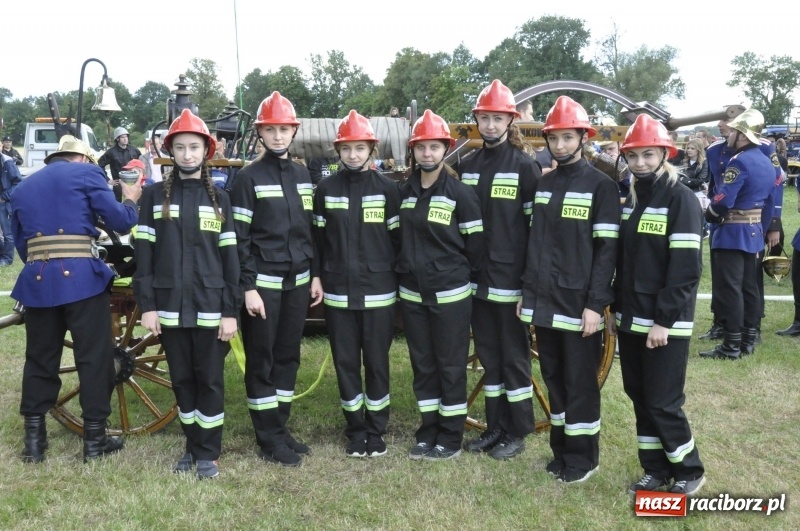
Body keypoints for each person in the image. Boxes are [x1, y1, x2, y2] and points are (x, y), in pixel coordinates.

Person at [11, 136, 141, 463]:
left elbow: (23, 246)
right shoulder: (87, 174)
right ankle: (94, 442)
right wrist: (130, 198)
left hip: (38, 280)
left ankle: (35, 445)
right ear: (83, 159)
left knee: (40, 358)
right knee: (94, 359)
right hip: (83, 280)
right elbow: (121, 221)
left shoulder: (23, 187)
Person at [134, 110, 240, 479]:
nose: (187, 154)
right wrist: (147, 306)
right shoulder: (151, 198)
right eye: (180, 147)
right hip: (170, 308)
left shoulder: (221, 200)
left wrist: (231, 312)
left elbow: (230, 261)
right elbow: (143, 257)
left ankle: (208, 452)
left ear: (207, 151)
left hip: (212, 309)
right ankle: (190, 446)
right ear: (170, 152)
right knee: (181, 380)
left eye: (194, 147)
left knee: (209, 379)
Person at [518, 95, 619, 483]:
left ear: (582, 137)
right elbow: (535, 245)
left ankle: (584, 459)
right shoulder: (545, 185)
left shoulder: (601, 187)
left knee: (580, 385)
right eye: (554, 138)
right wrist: (528, 294)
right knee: (555, 381)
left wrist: (596, 305)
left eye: (567, 138)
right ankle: (561, 453)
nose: (559, 145)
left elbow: (606, 251)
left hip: (579, 306)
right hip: (544, 303)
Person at [611, 113, 706, 497]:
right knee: (640, 395)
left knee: (664, 401)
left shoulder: (679, 199)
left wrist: (663, 322)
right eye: (633, 157)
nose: (640, 164)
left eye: (648, 155)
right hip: (631, 318)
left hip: (664, 323)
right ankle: (655, 469)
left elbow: (685, 269)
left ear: (664, 154)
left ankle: (689, 469)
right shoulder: (633, 200)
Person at [230, 91, 323, 467]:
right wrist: (248, 287)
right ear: (261, 133)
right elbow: (239, 237)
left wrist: (315, 274)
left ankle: (281, 428)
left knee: (288, 356)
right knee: (262, 359)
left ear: (293, 131)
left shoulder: (303, 175)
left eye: (284, 129)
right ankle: (267, 438)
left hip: (299, 279)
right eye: (271, 129)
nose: (279, 136)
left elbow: (309, 230)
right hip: (264, 282)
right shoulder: (247, 178)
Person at [455, 79, 541, 460]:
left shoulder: (526, 167)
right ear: (477, 120)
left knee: (514, 358)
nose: (490, 125)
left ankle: (518, 429)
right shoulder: (467, 166)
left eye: (497, 119)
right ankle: (494, 427)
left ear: (511, 121)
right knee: (489, 357)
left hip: (510, 280)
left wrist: (529, 285)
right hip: (476, 279)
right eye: (484, 118)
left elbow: (536, 233)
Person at [311, 110, 400, 458]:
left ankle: (377, 429)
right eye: (347, 149)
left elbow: (397, 240)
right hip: (337, 292)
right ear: (338, 151)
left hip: (379, 293)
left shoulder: (388, 190)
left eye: (360, 148)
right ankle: (355, 428)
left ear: (371, 150)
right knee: (345, 362)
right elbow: (317, 240)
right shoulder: (325, 189)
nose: (353, 155)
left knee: (377, 362)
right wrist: (319, 274)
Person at [397, 110, 484, 461]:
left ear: (445, 149)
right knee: (423, 365)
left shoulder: (461, 194)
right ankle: (427, 431)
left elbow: (475, 247)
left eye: (434, 147)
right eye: (421, 147)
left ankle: (449, 437)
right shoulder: (403, 193)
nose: (427, 154)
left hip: (450, 295)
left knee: (450, 366)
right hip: (413, 295)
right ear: (413, 151)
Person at [699, 109, 776, 360]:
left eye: (733, 130)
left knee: (730, 289)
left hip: (731, 231)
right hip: (753, 231)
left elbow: (723, 201)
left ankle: (731, 345)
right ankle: (748, 338)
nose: (728, 134)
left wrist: (709, 212)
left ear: (742, 135)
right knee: (749, 288)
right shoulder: (765, 159)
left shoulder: (739, 161)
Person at [1, 150, 22, 266]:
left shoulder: (7, 162)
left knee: (7, 233)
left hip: (3, 203)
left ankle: (7, 259)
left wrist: (3, 197)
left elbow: (18, 183)